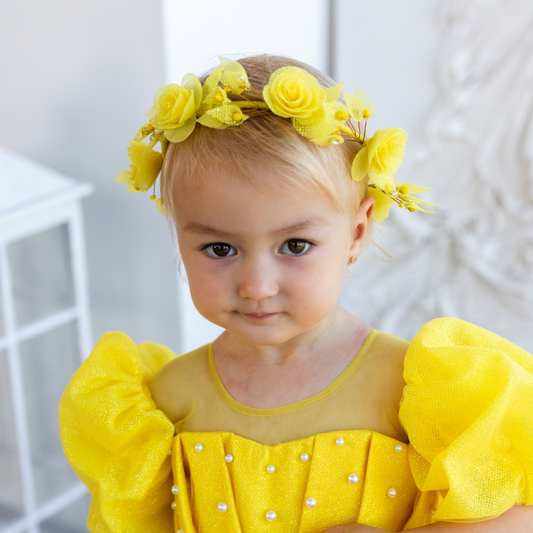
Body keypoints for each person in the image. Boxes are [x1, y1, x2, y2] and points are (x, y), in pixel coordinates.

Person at [59, 55, 533, 533]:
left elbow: (519, 518)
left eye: (295, 245)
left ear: (356, 232)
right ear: (180, 237)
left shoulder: (418, 390)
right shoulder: (162, 405)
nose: (257, 286)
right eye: (220, 248)